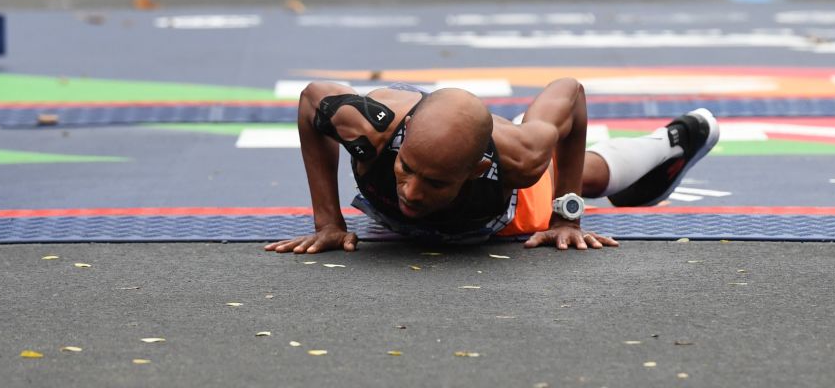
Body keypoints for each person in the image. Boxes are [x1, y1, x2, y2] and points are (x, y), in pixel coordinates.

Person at [266, 79, 719, 254]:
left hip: (500, 190)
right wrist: (328, 221)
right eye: (408, 169)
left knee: (581, 176)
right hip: (433, 115)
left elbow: (571, 93)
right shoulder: (367, 128)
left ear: (477, 168)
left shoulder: (516, 161)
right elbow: (311, 101)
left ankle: (670, 143)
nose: (413, 192)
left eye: (436, 182)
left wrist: (567, 214)